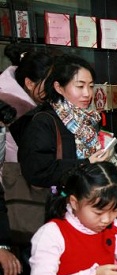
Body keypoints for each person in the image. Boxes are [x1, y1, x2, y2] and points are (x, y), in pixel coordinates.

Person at [14, 54, 110, 189]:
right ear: (59, 88)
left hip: (87, 196)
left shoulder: (89, 118)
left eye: (91, 86)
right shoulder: (44, 121)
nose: (87, 93)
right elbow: (37, 171)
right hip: (57, 203)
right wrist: (86, 163)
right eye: (80, 86)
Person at [0, 45, 53, 165]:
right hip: (13, 177)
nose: (53, 90)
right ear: (29, 83)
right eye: (48, 84)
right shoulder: (13, 109)